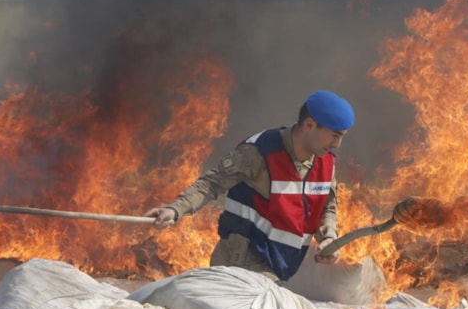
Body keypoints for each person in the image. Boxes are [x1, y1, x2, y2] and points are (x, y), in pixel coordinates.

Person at [144, 90, 355, 282]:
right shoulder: (260, 152)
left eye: (342, 137)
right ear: (310, 125)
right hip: (241, 262)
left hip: (278, 266)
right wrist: (175, 209)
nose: (337, 145)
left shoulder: (326, 162)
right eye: (334, 136)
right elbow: (211, 183)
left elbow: (326, 207)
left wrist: (328, 237)